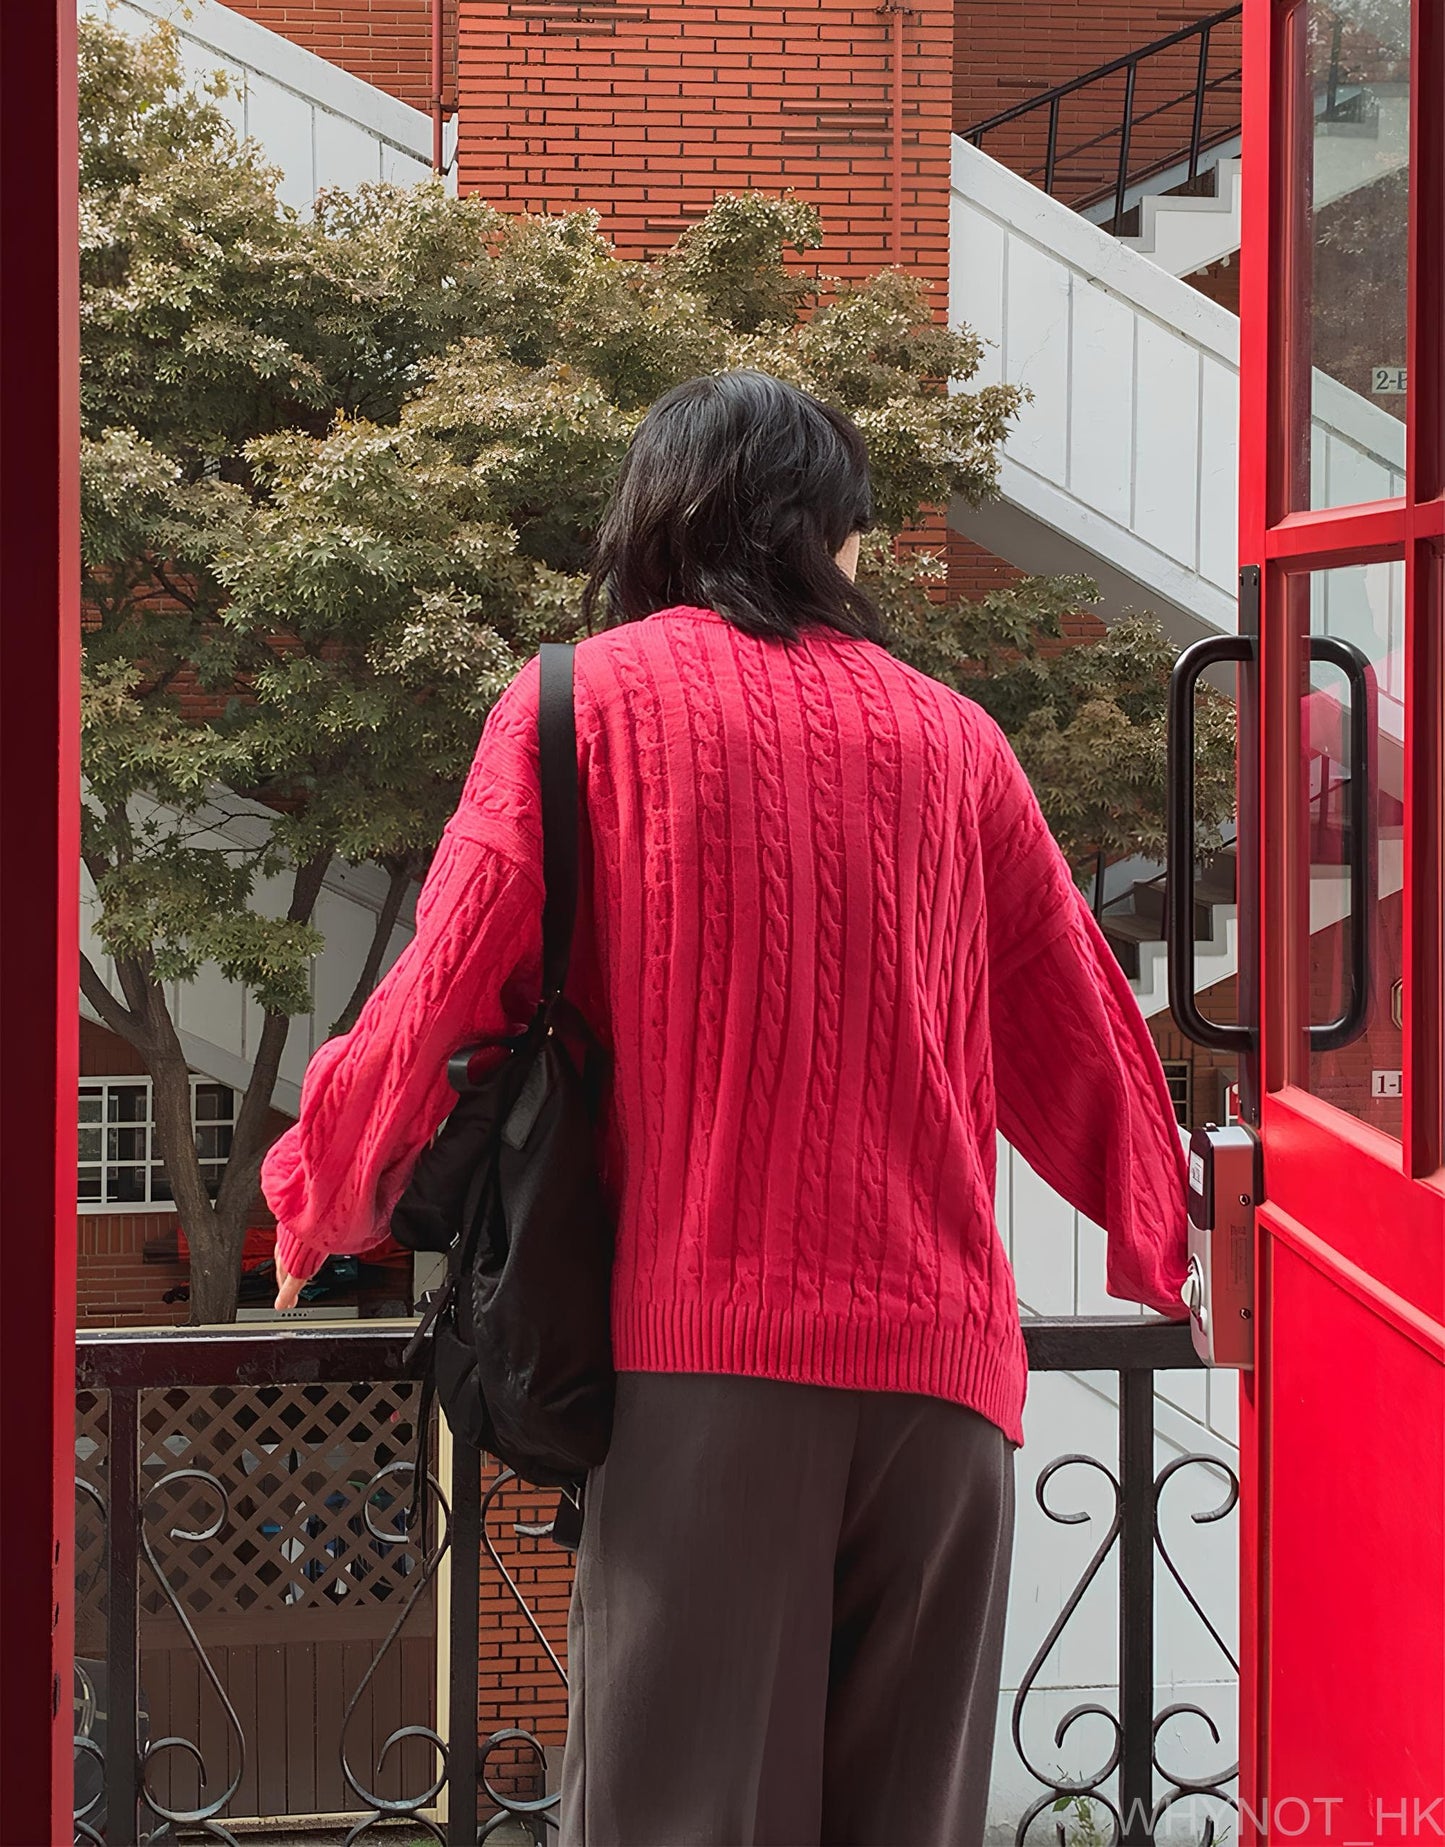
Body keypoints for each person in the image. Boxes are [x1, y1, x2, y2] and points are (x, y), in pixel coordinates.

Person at [261, 368, 1191, 1847]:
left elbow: (437, 995)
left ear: (654, 518)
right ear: (827, 534)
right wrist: (1167, 1246)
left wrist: (323, 1195)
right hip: (944, 1394)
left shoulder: (582, 706)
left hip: (706, 1380)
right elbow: (1080, 1034)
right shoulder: (958, 742)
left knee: (682, 1820)